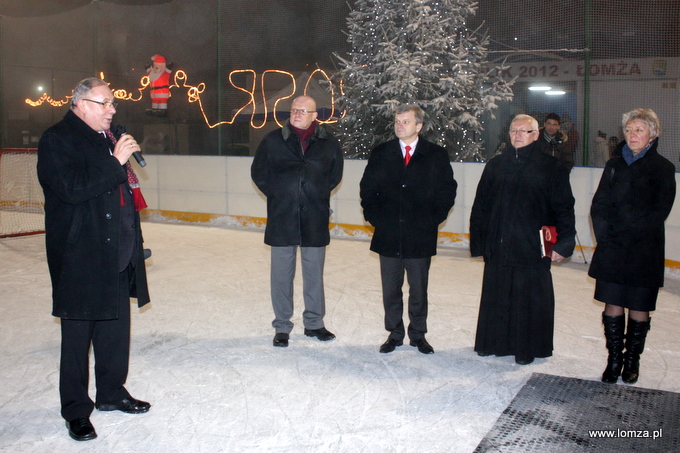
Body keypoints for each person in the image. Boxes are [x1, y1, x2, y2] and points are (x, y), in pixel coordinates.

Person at [37, 77, 151, 441]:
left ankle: (111, 392)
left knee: (115, 330)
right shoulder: (58, 139)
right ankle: (75, 410)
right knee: (76, 338)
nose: (113, 109)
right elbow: (71, 189)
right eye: (105, 103)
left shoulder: (107, 139)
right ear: (81, 104)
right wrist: (115, 161)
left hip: (116, 248)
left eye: (113, 103)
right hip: (80, 255)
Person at [470, 114, 575, 365]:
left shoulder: (553, 167)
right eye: (514, 130)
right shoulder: (495, 165)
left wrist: (564, 243)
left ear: (536, 134)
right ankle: (493, 342)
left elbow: (564, 208)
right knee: (498, 294)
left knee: (529, 299)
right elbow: (480, 207)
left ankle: (527, 347)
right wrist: (479, 243)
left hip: (533, 246)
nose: (518, 135)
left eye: (524, 131)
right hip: (498, 243)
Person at [360, 104, 457, 354]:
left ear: (419, 126)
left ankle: (418, 334)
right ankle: (394, 333)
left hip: (420, 234)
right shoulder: (381, 153)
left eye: (405, 121)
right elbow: (367, 188)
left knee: (418, 289)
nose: (399, 125)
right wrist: (375, 218)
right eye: (397, 121)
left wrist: (433, 218)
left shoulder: (436, 154)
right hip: (388, 233)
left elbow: (447, 190)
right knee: (390, 289)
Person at [589, 109, 676, 385]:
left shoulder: (662, 167)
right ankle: (614, 360)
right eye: (629, 130)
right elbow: (599, 204)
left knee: (639, 305)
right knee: (613, 302)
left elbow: (660, 210)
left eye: (639, 130)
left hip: (644, 250)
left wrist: (633, 235)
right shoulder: (613, 165)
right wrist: (605, 236)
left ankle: (632, 361)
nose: (632, 134)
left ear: (652, 134)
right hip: (613, 247)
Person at [251, 95, 344, 348]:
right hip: (282, 216)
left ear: (315, 116)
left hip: (314, 216)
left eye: (304, 110)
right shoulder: (272, 140)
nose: (297, 114)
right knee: (281, 275)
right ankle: (282, 326)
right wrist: (281, 194)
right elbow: (259, 173)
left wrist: (314, 194)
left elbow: (334, 176)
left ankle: (314, 324)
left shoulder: (328, 143)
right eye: (294, 109)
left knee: (314, 274)